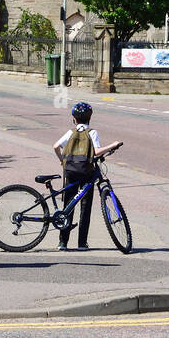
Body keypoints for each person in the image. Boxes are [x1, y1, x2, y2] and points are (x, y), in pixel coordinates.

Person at [52, 102, 121, 251]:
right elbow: (96, 152)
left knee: (68, 205)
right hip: (86, 172)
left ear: (73, 119)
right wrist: (112, 145)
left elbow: (56, 146)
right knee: (85, 206)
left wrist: (62, 161)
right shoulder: (92, 132)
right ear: (90, 118)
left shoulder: (70, 132)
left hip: (70, 171)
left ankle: (62, 242)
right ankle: (82, 243)